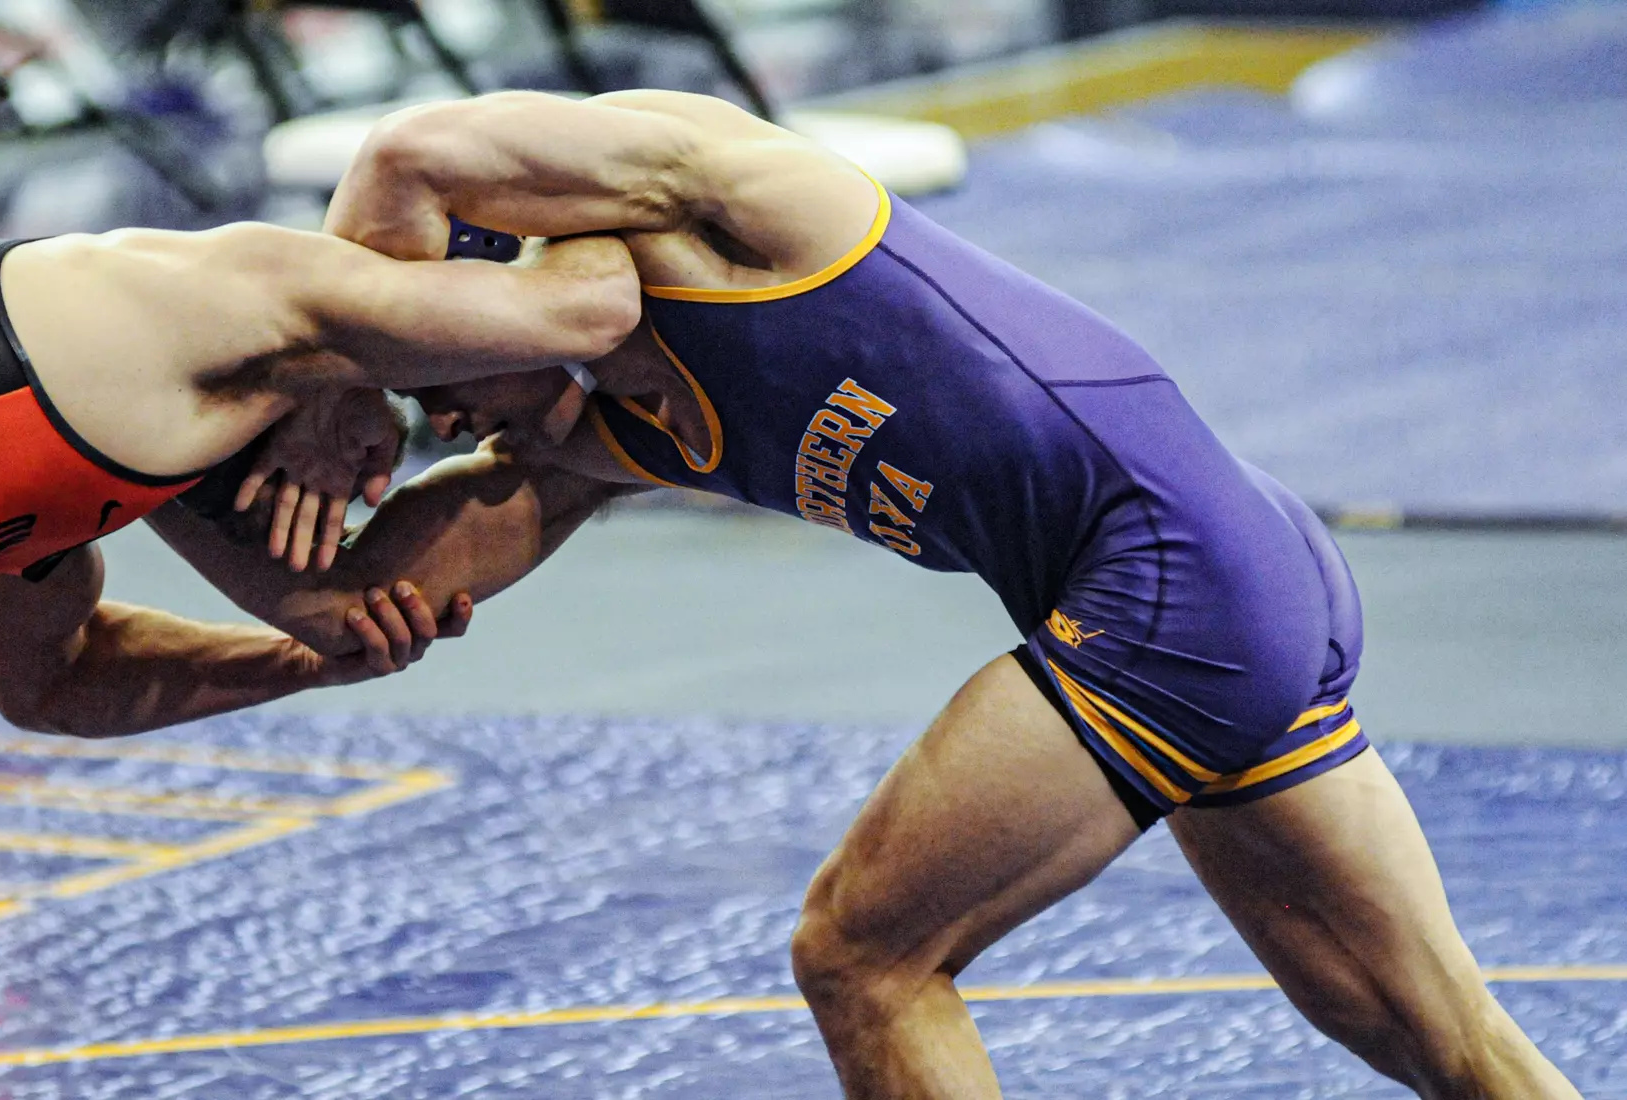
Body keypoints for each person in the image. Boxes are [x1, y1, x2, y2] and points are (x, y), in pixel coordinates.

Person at [162, 90, 1584, 1099]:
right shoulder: (605, 436)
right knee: (1434, 1036)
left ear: (484, 296)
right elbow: (365, 598)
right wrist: (151, 472)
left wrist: (336, 369)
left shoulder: (739, 217)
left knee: (863, 958)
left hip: (1172, 578)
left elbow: (406, 150)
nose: (445, 423)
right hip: (1227, 586)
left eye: (432, 375)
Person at [0, 221, 639, 1096]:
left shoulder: (77, 425)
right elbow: (592, 300)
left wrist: (300, 665)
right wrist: (657, 203)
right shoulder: (255, 294)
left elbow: (54, 681)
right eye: (434, 410)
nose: (447, 434)